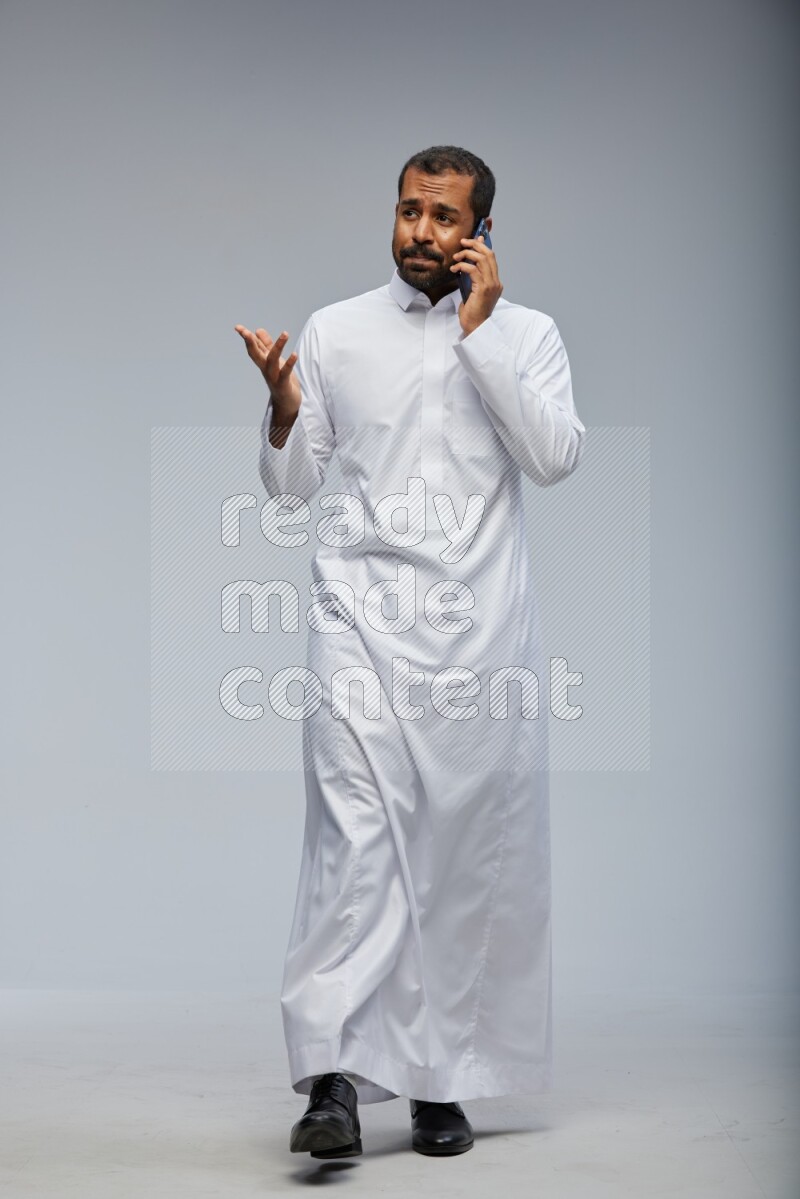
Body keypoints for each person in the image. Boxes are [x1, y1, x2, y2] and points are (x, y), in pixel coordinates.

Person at [235, 145, 585, 1159]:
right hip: (356, 622)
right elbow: (293, 487)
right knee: (352, 851)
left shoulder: (528, 335)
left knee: (457, 862)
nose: (421, 232)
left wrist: (479, 340)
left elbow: (553, 457)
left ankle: (442, 1082)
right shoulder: (337, 331)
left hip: (478, 636)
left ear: (481, 232)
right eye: (407, 212)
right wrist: (286, 407)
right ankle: (333, 1083)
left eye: (443, 216)